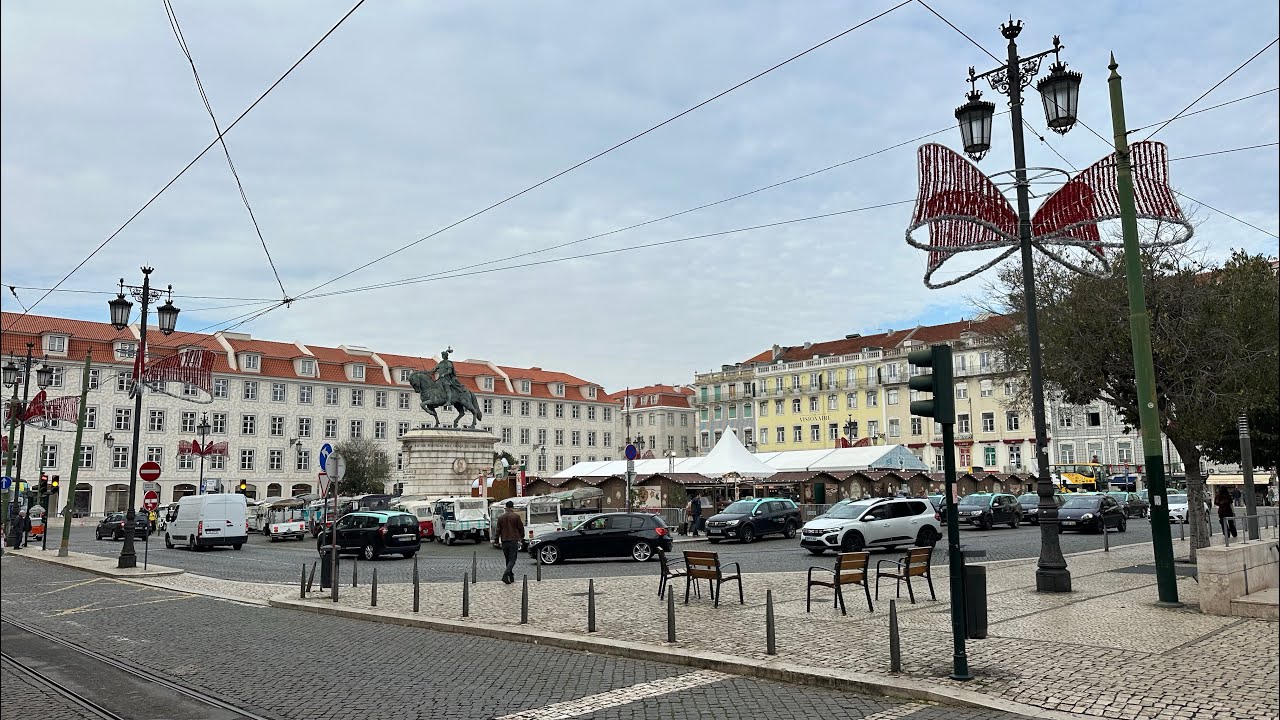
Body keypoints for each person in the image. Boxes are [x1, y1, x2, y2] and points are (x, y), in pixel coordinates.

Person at [496, 500, 524, 585]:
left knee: (508, 560)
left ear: (506, 507)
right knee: (512, 559)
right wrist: (521, 537)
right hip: (513, 540)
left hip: (504, 540)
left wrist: (496, 540)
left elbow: (498, 530)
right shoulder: (516, 517)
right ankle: (505, 575)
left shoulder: (501, 518)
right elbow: (521, 528)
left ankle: (511, 577)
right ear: (512, 507)